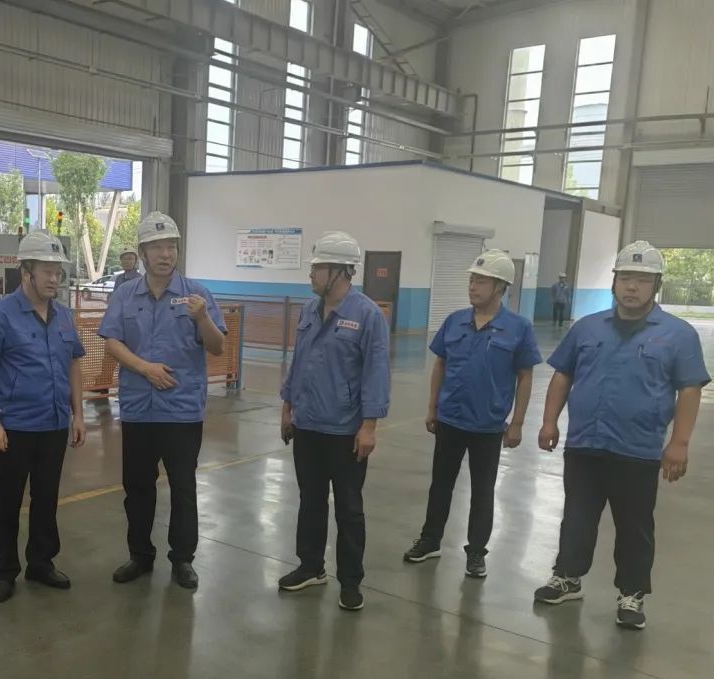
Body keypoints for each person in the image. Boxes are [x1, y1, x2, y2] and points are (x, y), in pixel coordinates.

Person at [534, 241, 709, 630]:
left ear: (656, 285)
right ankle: (568, 576)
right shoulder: (587, 327)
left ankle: (632, 593)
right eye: (625, 278)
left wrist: (679, 443)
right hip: (585, 443)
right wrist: (549, 421)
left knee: (634, 525)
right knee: (576, 516)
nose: (632, 287)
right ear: (614, 281)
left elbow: (689, 389)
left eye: (642, 280)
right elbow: (563, 374)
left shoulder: (678, 334)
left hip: (637, 449)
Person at [99, 212, 227, 589]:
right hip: (139, 410)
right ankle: (140, 555)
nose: (165, 254)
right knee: (137, 488)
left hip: (181, 411)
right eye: (157, 247)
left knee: (183, 488)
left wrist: (202, 319)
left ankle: (183, 559)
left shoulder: (197, 295)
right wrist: (145, 369)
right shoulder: (125, 295)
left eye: (171, 246)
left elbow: (218, 347)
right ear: (142, 253)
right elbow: (111, 342)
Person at [403, 249, 542, 578]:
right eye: (472, 280)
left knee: (482, 490)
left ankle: (477, 552)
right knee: (440, 485)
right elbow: (440, 364)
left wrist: (517, 423)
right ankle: (430, 540)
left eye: (481, 281)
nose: (473, 286)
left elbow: (525, 376)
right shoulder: (455, 321)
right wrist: (432, 407)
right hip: (450, 419)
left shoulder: (518, 328)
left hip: (488, 426)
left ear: (500, 287)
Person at [277, 231, 391, 611]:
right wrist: (288, 406)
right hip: (308, 424)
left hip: (345, 431)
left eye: (318, 267)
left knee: (349, 508)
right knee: (310, 501)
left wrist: (369, 426)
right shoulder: (309, 311)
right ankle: (311, 566)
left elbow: (376, 372)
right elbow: (299, 361)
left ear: (341, 271)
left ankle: (351, 581)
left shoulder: (367, 315)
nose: (311, 274)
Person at [0, 231, 87, 604]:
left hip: (53, 424)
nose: (55, 279)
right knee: (8, 501)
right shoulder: (0, 315)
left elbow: (74, 364)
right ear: (26, 272)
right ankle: (5, 570)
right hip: (14, 426)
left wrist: (78, 414)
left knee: (47, 498)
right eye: (47, 271)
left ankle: (41, 562)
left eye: (58, 272)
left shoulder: (64, 316)